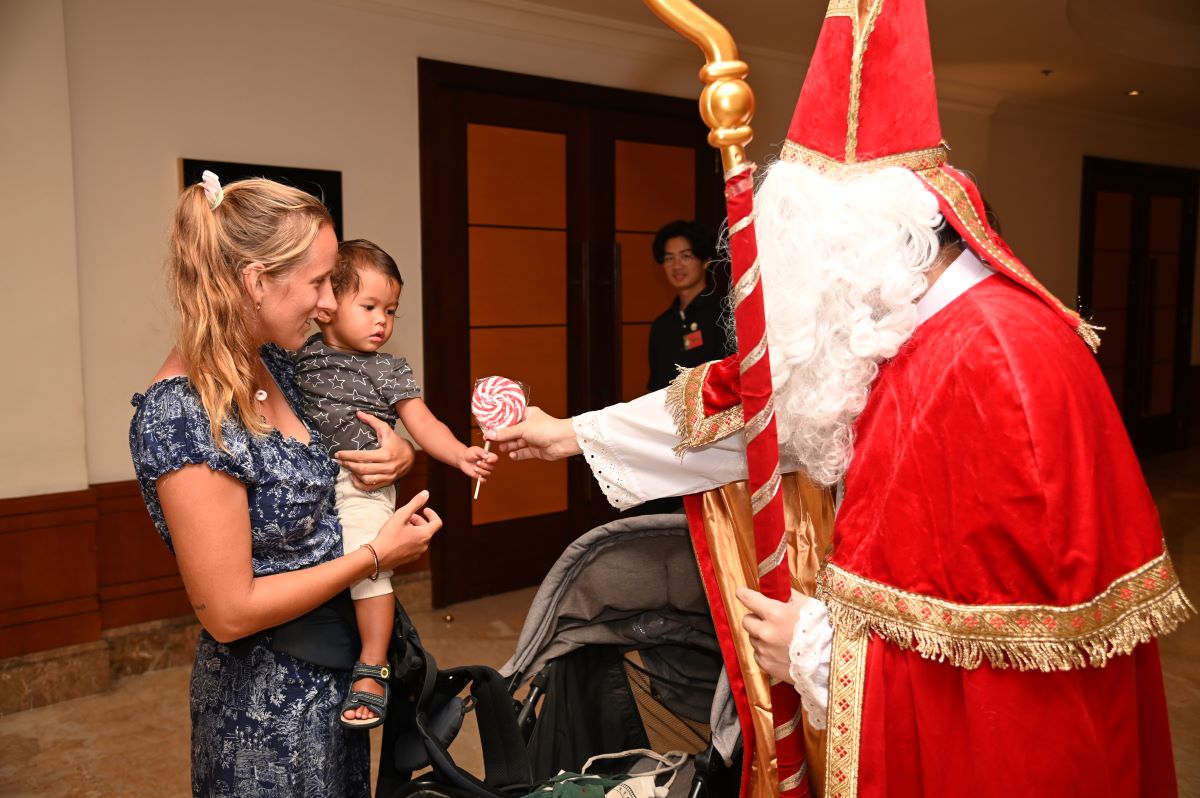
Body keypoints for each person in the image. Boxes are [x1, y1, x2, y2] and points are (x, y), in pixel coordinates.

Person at [487, 0, 1192, 795]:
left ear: (868, 241)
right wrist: (567, 434)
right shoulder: (897, 333)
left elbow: (1013, 678)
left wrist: (823, 651)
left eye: (802, 257)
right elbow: (763, 410)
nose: (790, 287)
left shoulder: (992, 362)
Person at [129, 172, 440, 797]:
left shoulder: (275, 362)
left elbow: (342, 441)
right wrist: (375, 557)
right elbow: (229, 612)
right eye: (320, 282)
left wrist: (400, 454)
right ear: (255, 281)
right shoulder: (184, 414)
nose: (330, 303)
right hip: (264, 715)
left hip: (336, 681)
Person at [291, 238, 497, 728]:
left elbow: (422, 425)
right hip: (308, 482)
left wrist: (459, 454)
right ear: (326, 306)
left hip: (362, 484)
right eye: (369, 307)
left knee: (369, 562)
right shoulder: (296, 355)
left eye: (391, 310)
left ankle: (372, 663)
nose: (383, 320)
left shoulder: (388, 368)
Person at [646, 220, 729, 392]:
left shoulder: (724, 313)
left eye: (686, 256)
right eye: (669, 258)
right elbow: (655, 387)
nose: (676, 266)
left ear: (706, 260)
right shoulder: (661, 325)